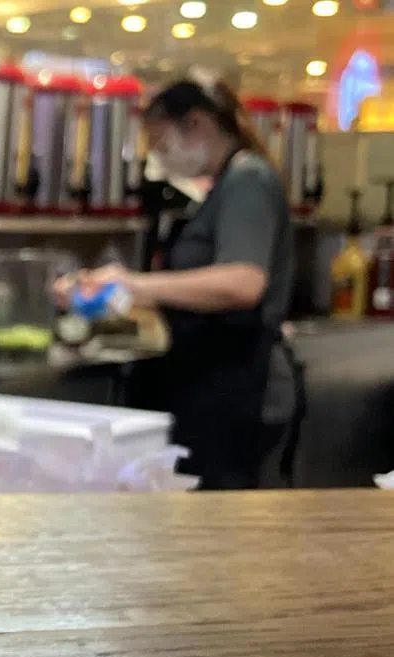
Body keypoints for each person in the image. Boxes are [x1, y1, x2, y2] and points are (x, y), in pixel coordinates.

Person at [56, 79, 297, 490]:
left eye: (162, 145)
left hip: (238, 384)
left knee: (217, 512)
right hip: (211, 382)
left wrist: (133, 284)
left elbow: (243, 282)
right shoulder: (226, 184)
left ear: (197, 123)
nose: (160, 158)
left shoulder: (248, 179)